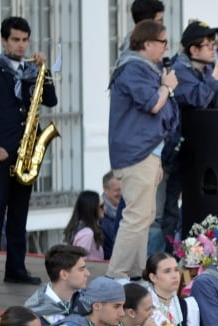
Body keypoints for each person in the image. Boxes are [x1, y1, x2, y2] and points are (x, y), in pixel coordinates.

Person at [0, 16, 59, 288]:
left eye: (25, 40)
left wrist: (45, 71)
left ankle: (16, 268)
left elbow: (51, 100)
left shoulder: (32, 69)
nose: (21, 46)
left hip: (28, 149)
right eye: (16, 40)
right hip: (1, 150)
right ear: (4, 40)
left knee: (20, 211)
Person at [106, 19, 180, 280]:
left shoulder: (146, 67)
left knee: (145, 215)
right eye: (162, 42)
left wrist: (158, 158)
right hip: (136, 152)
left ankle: (136, 272)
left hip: (148, 151)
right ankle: (117, 274)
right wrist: (167, 86)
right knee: (136, 216)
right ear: (147, 43)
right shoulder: (134, 68)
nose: (166, 48)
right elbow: (152, 104)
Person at [25, 244, 90, 325]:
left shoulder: (87, 298)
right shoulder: (35, 312)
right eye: (81, 269)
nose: (88, 273)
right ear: (64, 275)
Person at [64, 190, 106, 261]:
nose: (104, 209)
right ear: (92, 208)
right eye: (101, 206)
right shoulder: (87, 233)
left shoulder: (79, 228)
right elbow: (80, 261)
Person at [100, 171, 124, 260]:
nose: (121, 193)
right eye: (117, 190)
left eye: (122, 189)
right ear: (105, 190)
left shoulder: (128, 211)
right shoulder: (98, 215)